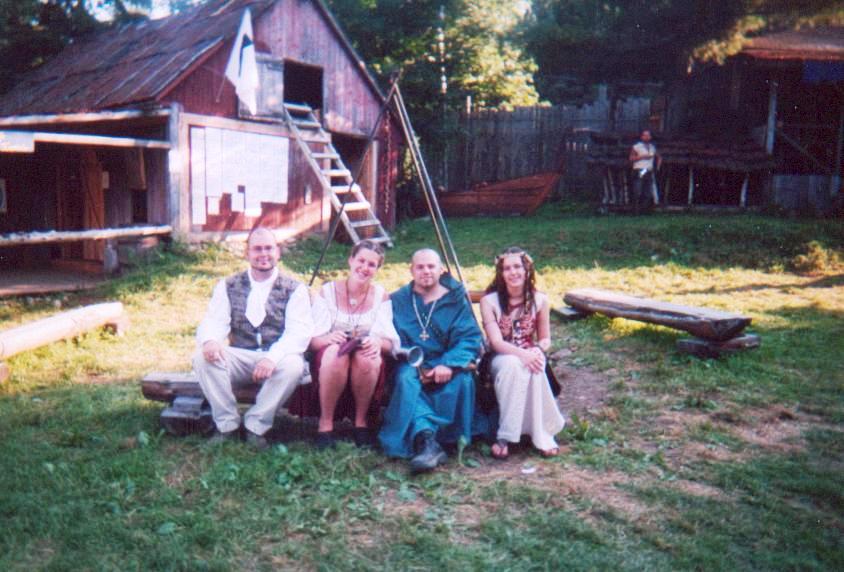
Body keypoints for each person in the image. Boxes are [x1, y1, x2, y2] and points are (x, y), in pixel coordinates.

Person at [193, 227, 313, 450]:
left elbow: (298, 333)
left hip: (276, 358)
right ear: (247, 253)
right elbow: (215, 320)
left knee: (293, 366)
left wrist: (271, 358)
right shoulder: (228, 285)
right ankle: (227, 424)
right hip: (241, 356)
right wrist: (210, 340)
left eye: (269, 248)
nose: (263, 254)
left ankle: (256, 426)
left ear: (278, 252)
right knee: (202, 358)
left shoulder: (295, 289)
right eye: (257, 249)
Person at [379, 248, 484, 473]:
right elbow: (387, 335)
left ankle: (445, 437)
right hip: (412, 364)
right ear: (411, 270)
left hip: (449, 361)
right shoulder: (398, 300)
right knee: (405, 381)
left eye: (431, 266)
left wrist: (449, 363)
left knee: (462, 381)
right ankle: (426, 440)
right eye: (420, 267)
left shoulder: (455, 300)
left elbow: (469, 337)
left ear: (441, 269)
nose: (426, 271)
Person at [302, 239, 400, 449]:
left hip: (363, 357)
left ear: (377, 269)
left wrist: (376, 341)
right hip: (330, 357)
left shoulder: (380, 296)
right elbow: (311, 341)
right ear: (351, 260)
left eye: (371, 264)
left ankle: (360, 422)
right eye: (361, 261)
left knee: (369, 358)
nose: (365, 268)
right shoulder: (328, 291)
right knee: (336, 354)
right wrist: (328, 339)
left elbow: (390, 344)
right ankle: (325, 423)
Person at [480, 247, 565, 459]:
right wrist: (523, 355)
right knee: (513, 364)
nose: (513, 272)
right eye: (507, 268)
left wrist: (537, 349)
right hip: (500, 357)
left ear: (527, 271)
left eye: (517, 267)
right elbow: (496, 342)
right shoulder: (489, 301)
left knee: (535, 364)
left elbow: (545, 338)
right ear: (501, 273)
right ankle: (506, 435)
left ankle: (542, 435)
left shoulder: (540, 300)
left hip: (529, 353)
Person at [628, 129, 662, 214]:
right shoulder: (637, 146)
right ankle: (635, 211)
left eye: (648, 135)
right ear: (641, 137)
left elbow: (659, 157)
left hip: (648, 171)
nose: (647, 137)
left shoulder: (652, 147)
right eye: (645, 135)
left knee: (648, 192)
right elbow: (631, 158)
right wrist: (642, 157)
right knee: (638, 191)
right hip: (640, 170)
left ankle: (644, 210)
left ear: (650, 137)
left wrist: (657, 167)